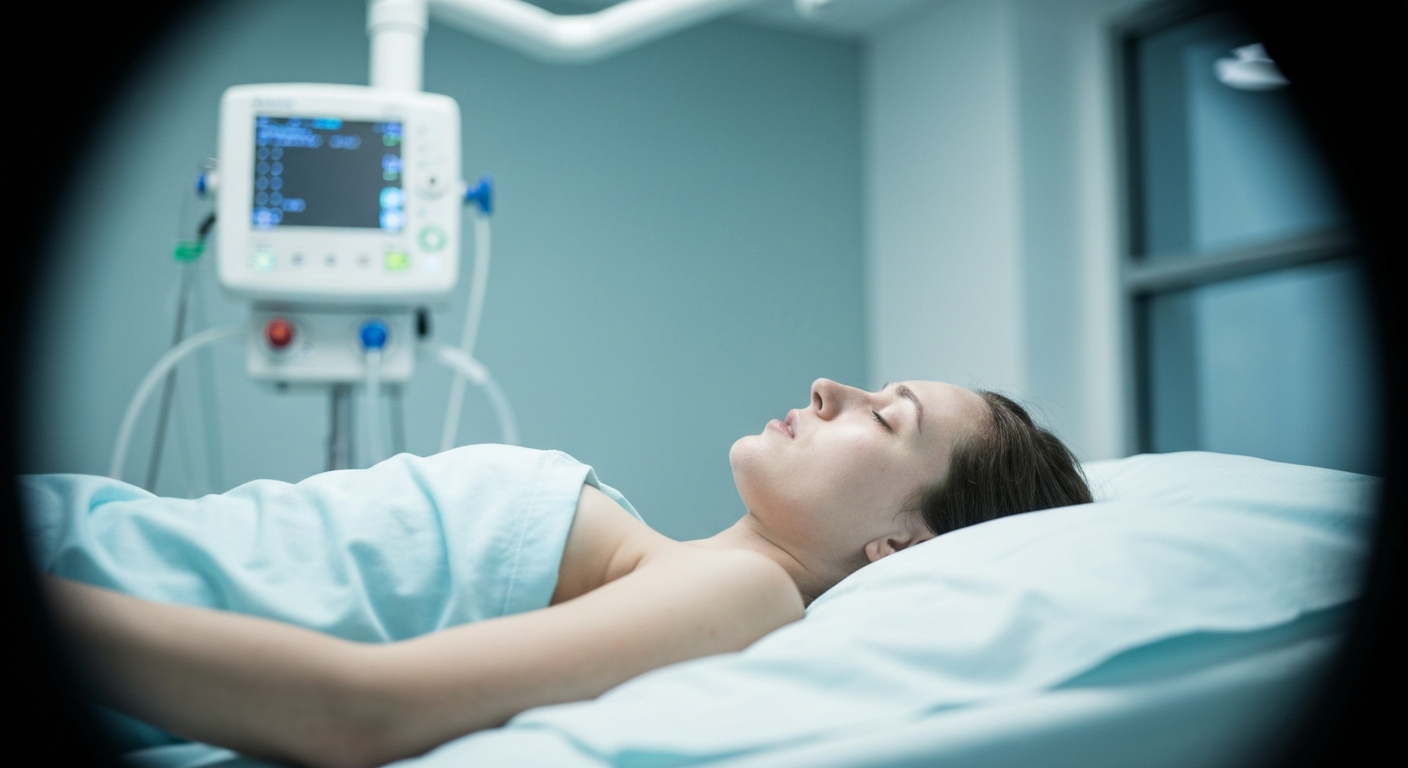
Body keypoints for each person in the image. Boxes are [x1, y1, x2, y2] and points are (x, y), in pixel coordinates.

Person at [39, 378, 1091, 768]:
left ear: (899, 548)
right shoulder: (668, 559)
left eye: (884, 416)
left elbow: (352, 714)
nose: (830, 388)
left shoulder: (748, 591)